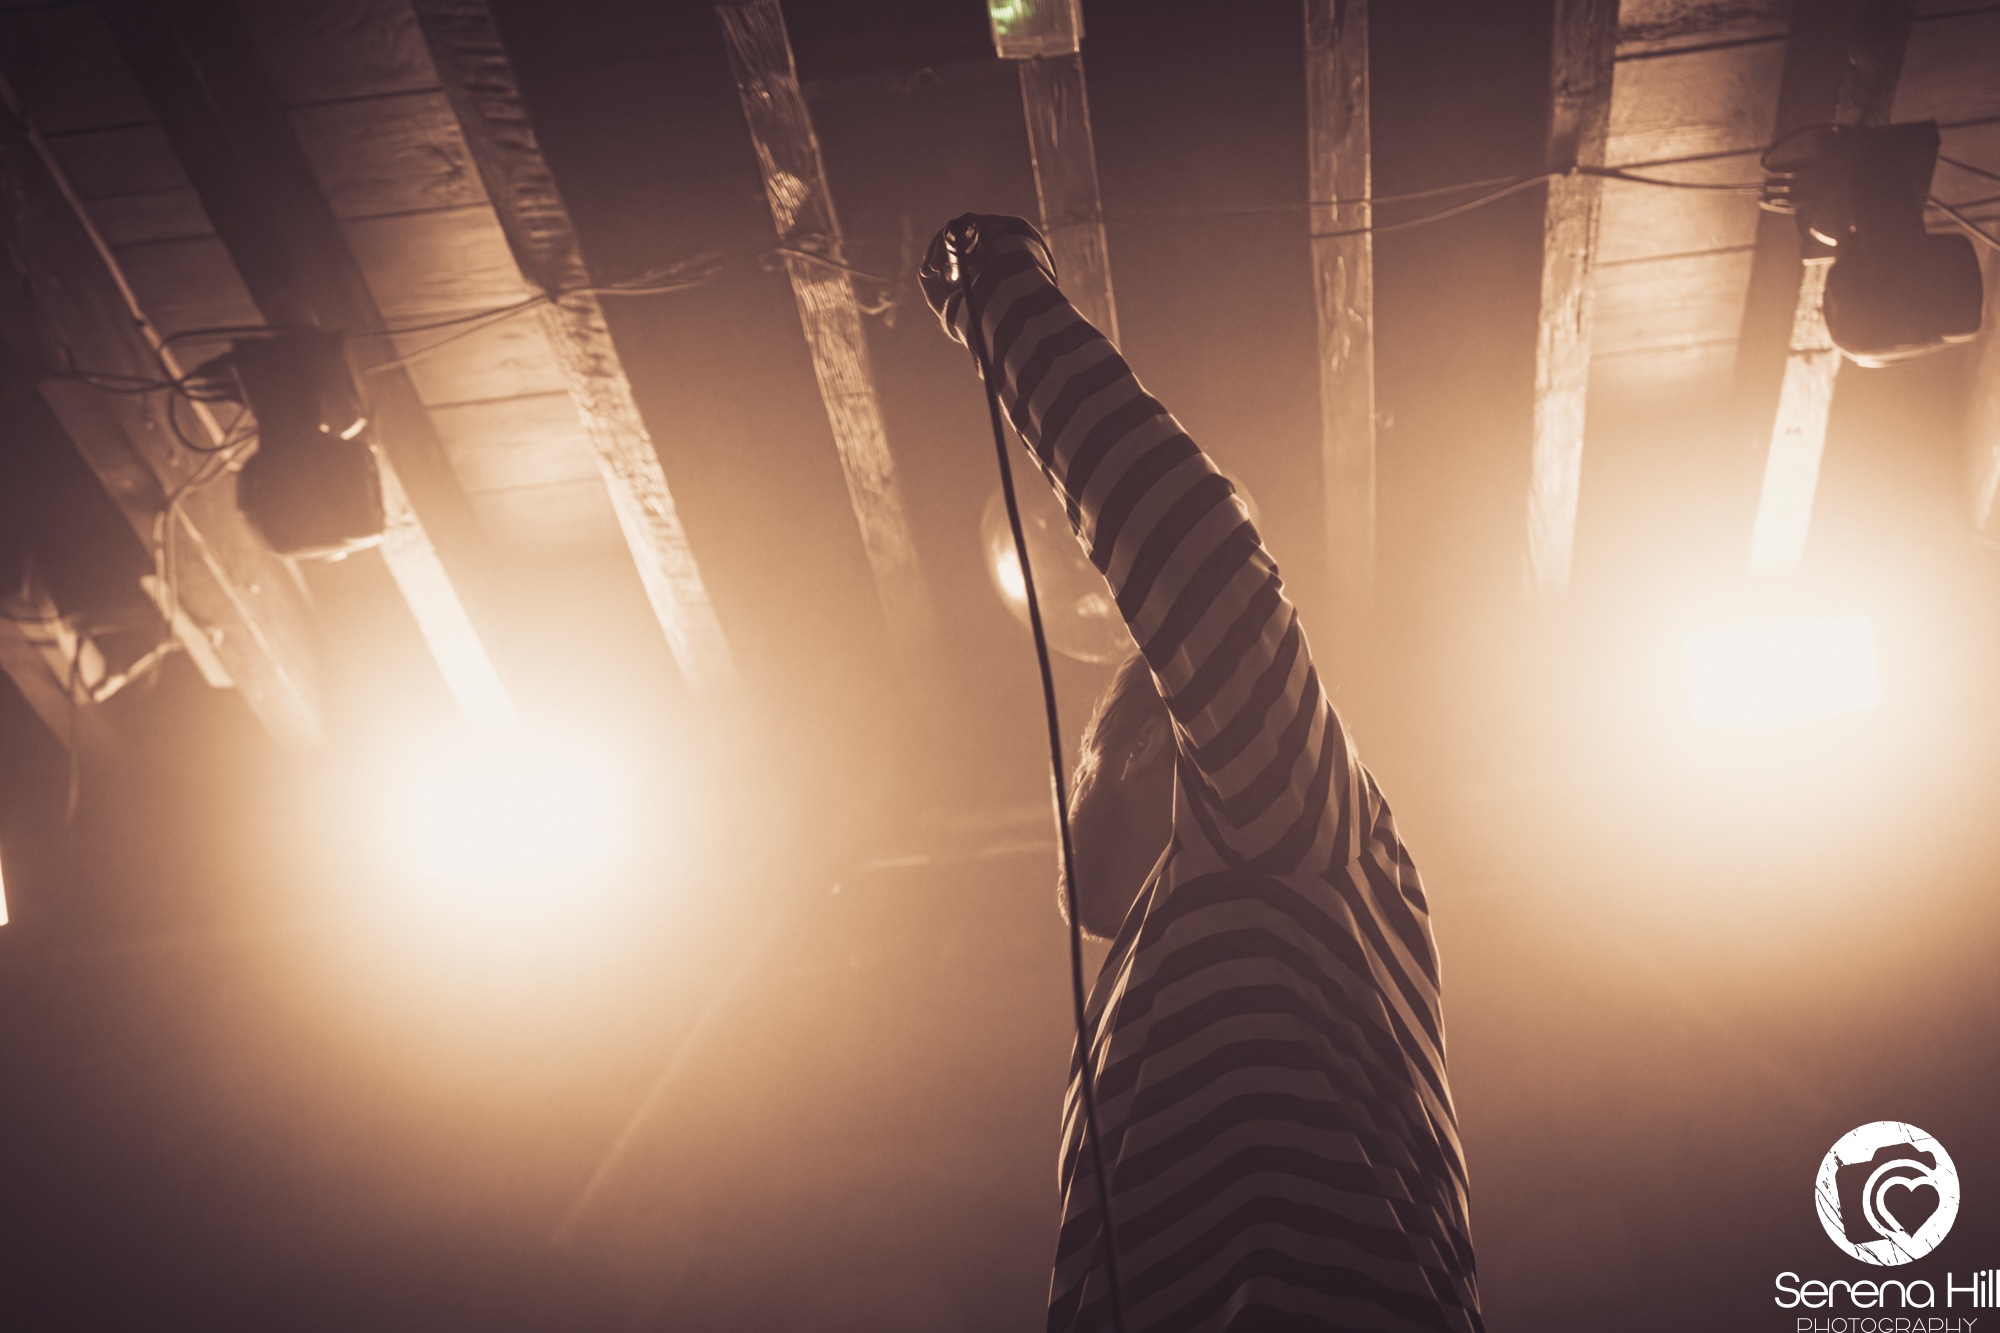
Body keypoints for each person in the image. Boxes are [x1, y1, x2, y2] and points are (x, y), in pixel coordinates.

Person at [920, 215, 1482, 1333]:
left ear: (1147, 746)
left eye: (1082, 757)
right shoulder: (1156, 967)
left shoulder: (1281, 825)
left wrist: (1000, 295)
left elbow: (1188, 544)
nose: (1064, 792)